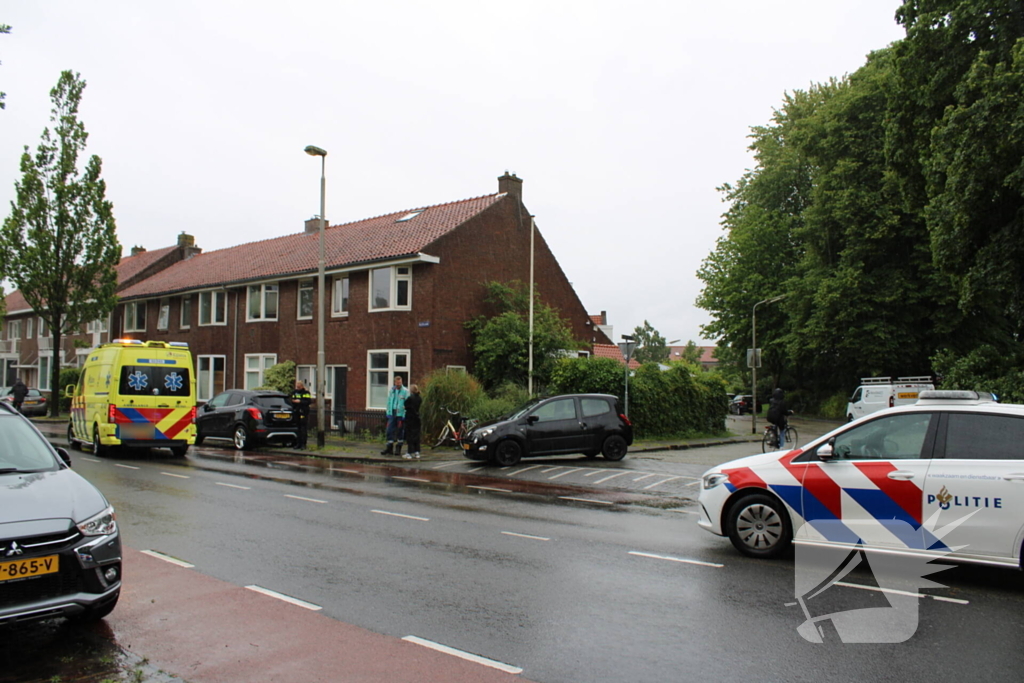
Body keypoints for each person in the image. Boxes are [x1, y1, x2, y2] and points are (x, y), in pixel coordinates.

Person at [381, 375, 409, 456]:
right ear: (395, 382)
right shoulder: (392, 391)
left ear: (402, 382)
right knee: (389, 430)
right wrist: (388, 413)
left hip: (400, 414)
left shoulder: (405, 391)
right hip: (392, 413)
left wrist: (404, 414)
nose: (398, 385)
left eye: (399, 383)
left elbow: (407, 404)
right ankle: (389, 448)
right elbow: (389, 402)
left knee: (400, 431)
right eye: (397, 383)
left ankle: (398, 448)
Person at [289, 380, 312, 449]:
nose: (297, 387)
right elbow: (291, 399)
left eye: (299, 386)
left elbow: (308, 401)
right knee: (298, 428)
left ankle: (303, 444)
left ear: (302, 386)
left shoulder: (306, 392)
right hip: (296, 411)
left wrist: (300, 401)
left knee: (303, 428)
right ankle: (298, 444)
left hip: (303, 412)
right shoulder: (294, 392)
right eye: (297, 386)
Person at [403, 384, 423, 459]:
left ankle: (409, 452)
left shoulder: (410, 398)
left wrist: (406, 407)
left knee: (410, 435)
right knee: (416, 435)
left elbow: (406, 405)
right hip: (417, 418)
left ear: (411, 390)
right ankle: (417, 452)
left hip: (410, 418)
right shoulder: (419, 398)